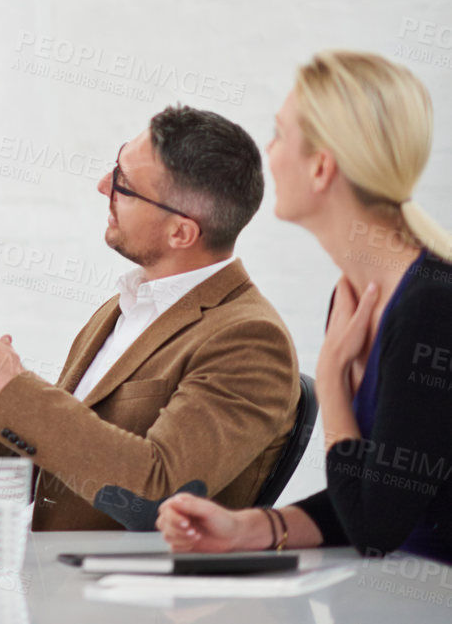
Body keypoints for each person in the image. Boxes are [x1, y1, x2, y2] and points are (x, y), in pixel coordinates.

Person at [0, 105, 300, 530]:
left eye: (124, 185)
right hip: (57, 585)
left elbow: (157, 490)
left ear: (181, 232)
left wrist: (13, 386)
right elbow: (43, 463)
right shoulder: (124, 308)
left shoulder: (248, 339)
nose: (102, 187)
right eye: (115, 166)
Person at [160, 52, 452, 561]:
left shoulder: (432, 307)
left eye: (277, 134)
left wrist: (332, 380)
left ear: (321, 167)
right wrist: (249, 527)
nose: (267, 153)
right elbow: (381, 494)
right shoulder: (353, 297)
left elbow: (377, 527)